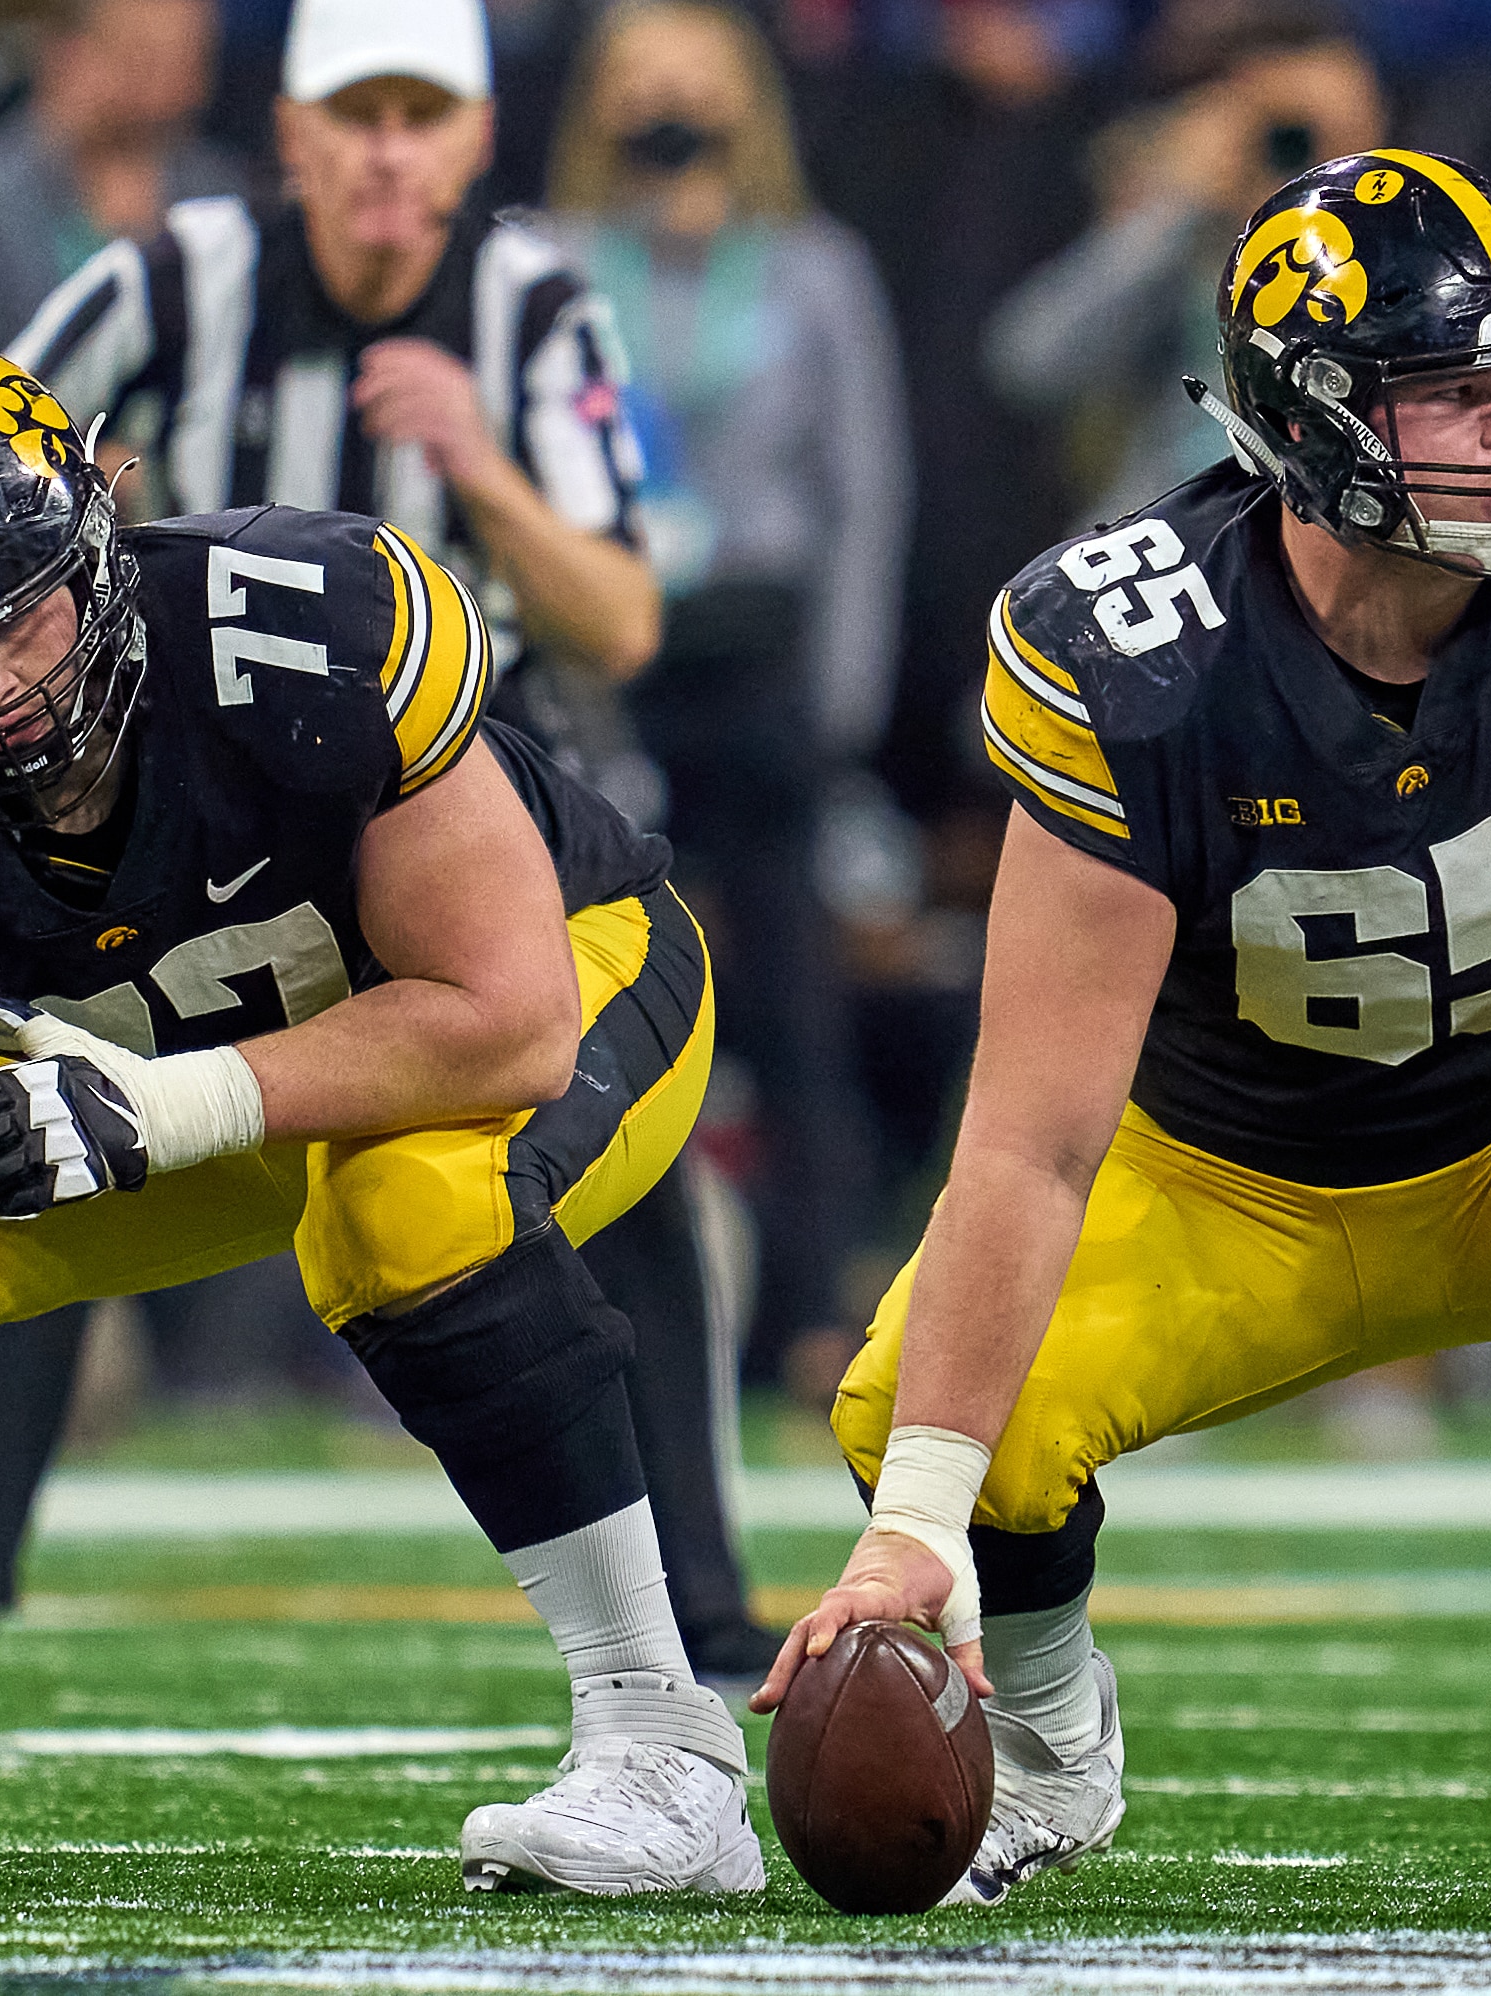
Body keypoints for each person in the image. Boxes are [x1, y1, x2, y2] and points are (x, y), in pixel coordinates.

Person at [753, 151, 1491, 1921]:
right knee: (923, 1413)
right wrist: (910, 1528)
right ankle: (1043, 1747)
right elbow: (1028, 1140)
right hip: (1233, 1175)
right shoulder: (1133, 648)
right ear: (1311, 421)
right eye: (1454, 393)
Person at [0, 0, 776, 1698]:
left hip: (431, 811)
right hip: (123, 840)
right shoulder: (158, 289)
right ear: (291, 135)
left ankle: (676, 1665)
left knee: (481, 1191)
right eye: (354, 117)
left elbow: (612, 622)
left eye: (423, 116)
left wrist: (476, 465)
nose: (389, 155)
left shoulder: (517, 325)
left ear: (474, 139)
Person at [0, 335, 757, 1892]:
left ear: (100, 525)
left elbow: (501, 1024)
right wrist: (136, 1109)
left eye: (16, 618)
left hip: (559, 976)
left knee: (403, 1202)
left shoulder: (296, 632)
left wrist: (159, 1108)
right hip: (163, 1065)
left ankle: (662, 1746)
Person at [543, 0, 904, 1389]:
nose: (670, 103)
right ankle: (579, 1295)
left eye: (694, 78)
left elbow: (862, 492)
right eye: (642, 80)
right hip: (607, 659)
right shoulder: (555, 264)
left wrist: (848, 699)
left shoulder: (813, 270)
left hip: (760, 659)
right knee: (589, 985)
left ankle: (811, 1301)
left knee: (794, 999)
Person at [982, 0, 1384, 520]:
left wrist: (1347, 195)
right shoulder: (1191, 240)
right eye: (1276, 130)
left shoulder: (1403, 252)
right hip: (1170, 534)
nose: (1295, 152)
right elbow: (1030, 362)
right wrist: (1180, 206)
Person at [0, 0, 245, 356]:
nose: (172, 94)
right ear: (66, 53)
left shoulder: (219, 192)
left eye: (191, 65)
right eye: (143, 63)